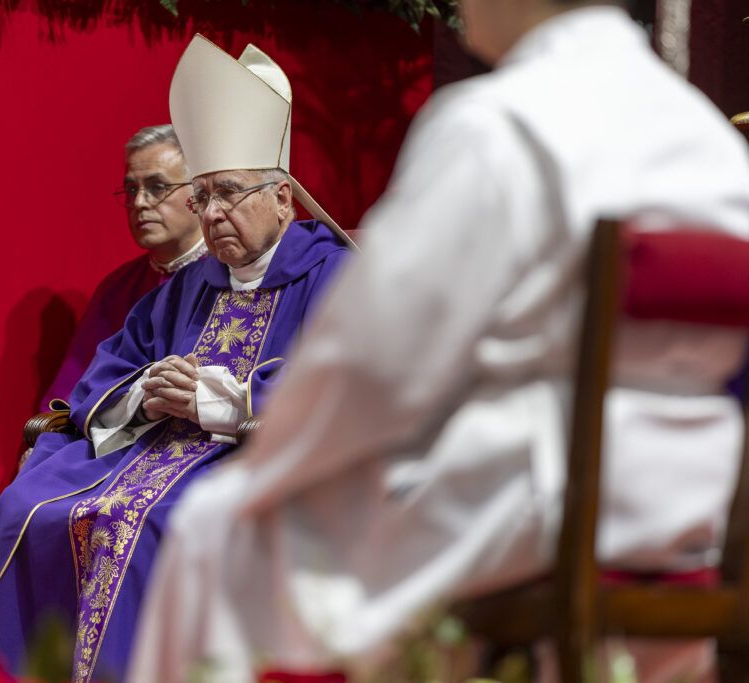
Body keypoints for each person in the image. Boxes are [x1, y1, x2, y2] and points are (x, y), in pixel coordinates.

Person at [127, 2, 749, 682]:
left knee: (217, 527)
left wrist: (269, 459)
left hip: (531, 510)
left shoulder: (497, 125)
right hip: (689, 514)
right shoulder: (709, 142)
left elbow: (371, 365)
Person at [0, 35, 353, 683]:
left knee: (146, 521)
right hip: (149, 450)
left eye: (228, 192)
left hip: (252, 458)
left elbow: (345, 382)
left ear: (282, 199)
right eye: (202, 197)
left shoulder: (333, 273)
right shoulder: (190, 283)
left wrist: (221, 398)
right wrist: (147, 389)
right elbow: (108, 371)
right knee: (23, 509)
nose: (212, 213)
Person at [40, 124, 206, 406]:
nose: (139, 202)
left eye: (157, 187)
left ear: (198, 191)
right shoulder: (116, 289)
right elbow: (72, 389)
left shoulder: (228, 275)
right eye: (131, 189)